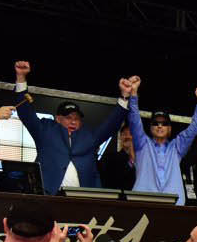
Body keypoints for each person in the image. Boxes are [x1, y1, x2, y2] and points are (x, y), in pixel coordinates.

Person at [10, 61, 127, 193]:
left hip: (82, 201)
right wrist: (21, 77)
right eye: (68, 118)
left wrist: (125, 96)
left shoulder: (88, 136)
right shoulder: (46, 130)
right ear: (58, 119)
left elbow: (110, 126)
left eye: (77, 119)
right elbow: (26, 113)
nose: (73, 122)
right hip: (48, 197)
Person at [125, 79, 197, 203]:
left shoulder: (177, 147)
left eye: (164, 123)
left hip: (173, 206)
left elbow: (193, 129)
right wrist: (133, 94)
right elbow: (134, 120)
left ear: (169, 129)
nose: (160, 126)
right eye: (155, 123)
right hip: (142, 203)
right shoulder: (142, 143)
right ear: (150, 127)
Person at [99, 124, 137, 191]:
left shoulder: (143, 157)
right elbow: (116, 178)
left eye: (131, 134)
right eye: (124, 134)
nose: (127, 136)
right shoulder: (112, 158)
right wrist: (131, 160)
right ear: (120, 137)